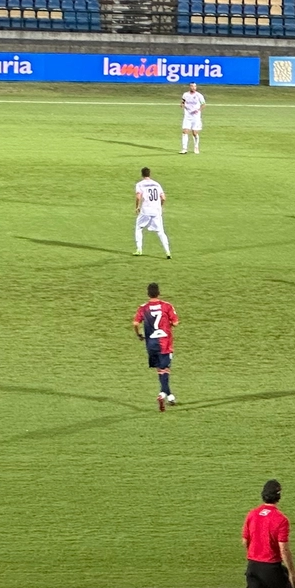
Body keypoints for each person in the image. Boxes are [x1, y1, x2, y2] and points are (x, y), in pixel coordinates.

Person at [243, 479, 295, 588]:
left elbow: (245, 541)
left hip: (253, 566)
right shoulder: (281, 519)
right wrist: (292, 573)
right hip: (271, 567)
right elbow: (283, 549)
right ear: (278, 496)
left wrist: (254, 557)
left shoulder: (252, 514)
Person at [133, 282, 179, 410]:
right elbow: (175, 323)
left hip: (151, 343)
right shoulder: (166, 306)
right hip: (164, 342)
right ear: (159, 293)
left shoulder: (143, 308)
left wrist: (139, 335)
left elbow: (135, 323)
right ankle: (162, 394)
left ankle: (170, 396)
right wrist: (167, 325)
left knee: (160, 369)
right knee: (165, 369)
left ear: (148, 294)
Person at [133, 167, 170, 258]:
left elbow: (138, 197)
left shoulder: (140, 184)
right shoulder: (157, 184)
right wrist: (160, 206)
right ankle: (168, 252)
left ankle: (139, 249)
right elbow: (163, 198)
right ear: (150, 174)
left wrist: (137, 206)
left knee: (139, 228)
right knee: (161, 232)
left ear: (142, 174)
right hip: (156, 211)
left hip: (146, 210)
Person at [179, 83, 206, 154]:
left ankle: (196, 146)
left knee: (194, 133)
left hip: (196, 117)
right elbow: (183, 101)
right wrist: (182, 104)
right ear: (189, 87)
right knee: (185, 131)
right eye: (192, 86)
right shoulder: (185, 94)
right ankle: (184, 148)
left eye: (194, 86)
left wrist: (198, 110)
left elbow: (203, 105)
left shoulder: (199, 95)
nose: (193, 87)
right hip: (187, 116)